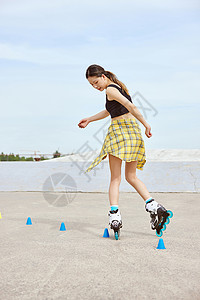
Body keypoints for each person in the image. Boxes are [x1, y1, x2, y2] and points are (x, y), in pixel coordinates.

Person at [78, 64, 172, 239]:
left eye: (96, 82)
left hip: (120, 132)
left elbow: (131, 106)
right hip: (132, 132)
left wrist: (146, 123)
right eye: (92, 85)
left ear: (103, 77)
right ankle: (154, 207)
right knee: (131, 177)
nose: (95, 86)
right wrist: (90, 119)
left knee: (115, 178)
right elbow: (109, 110)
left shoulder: (110, 90)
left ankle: (114, 216)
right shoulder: (118, 88)